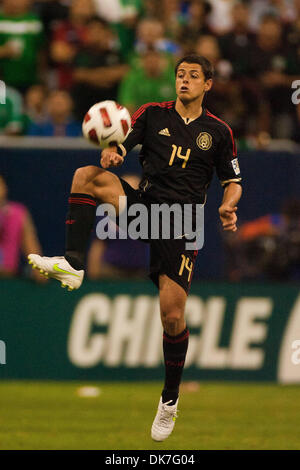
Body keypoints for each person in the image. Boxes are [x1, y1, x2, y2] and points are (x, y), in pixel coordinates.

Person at [28, 54, 242, 441]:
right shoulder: (152, 114)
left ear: (208, 84)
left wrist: (229, 204)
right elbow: (123, 144)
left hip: (181, 226)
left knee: (172, 316)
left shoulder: (220, 131)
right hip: (145, 209)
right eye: (180, 74)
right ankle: (74, 264)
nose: (185, 81)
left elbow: (233, 180)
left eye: (194, 76)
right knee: (86, 177)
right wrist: (113, 152)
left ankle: (169, 401)